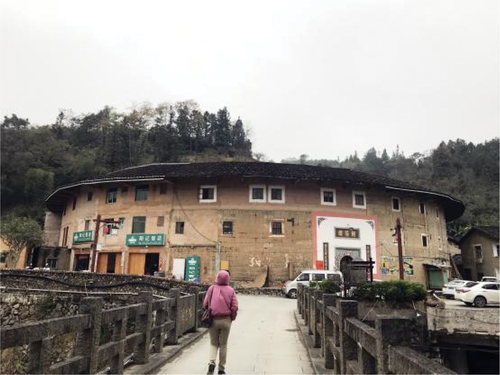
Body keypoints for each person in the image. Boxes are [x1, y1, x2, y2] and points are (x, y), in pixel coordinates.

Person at [203, 270, 238, 375]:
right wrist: (232, 317)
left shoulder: (211, 288)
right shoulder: (231, 290)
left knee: (213, 343)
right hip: (226, 320)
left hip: (213, 319)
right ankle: (221, 369)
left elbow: (205, 304)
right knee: (223, 344)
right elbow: (235, 307)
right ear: (228, 278)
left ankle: (211, 363)